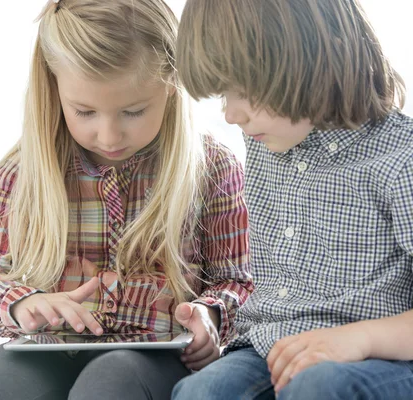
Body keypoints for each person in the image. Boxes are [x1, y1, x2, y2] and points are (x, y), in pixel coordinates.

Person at [0, 0, 253, 399]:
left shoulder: (212, 167)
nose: (109, 136)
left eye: (133, 111)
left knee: (111, 383)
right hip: (52, 348)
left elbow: (239, 279)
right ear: (54, 90)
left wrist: (212, 313)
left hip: (156, 354)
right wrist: (21, 305)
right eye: (85, 112)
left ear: (171, 86)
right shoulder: (26, 172)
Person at [172, 0, 413, 399]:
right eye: (224, 96)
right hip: (269, 347)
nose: (232, 114)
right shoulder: (267, 143)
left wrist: (361, 339)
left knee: (320, 387)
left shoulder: (401, 159)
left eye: (245, 91)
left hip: (380, 357)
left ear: (318, 60)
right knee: (202, 392)